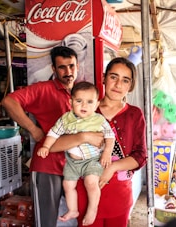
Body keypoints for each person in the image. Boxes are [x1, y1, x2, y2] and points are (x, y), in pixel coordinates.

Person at [1, 46, 104, 227]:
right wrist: (32, 129)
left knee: (76, 218)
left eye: (71, 66)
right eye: (62, 67)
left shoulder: (82, 92)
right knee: (46, 221)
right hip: (47, 165)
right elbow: (8, 101)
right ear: (53, 69)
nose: (68, 72)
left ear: (78, 66)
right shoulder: (43, 89)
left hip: (75, 166)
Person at [50, 57, 148, 227]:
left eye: (125, 80)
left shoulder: (134, 114)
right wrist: (83, 137)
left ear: (130, 86)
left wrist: (113, 167)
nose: (118, 84)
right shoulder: (83, 109)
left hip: (119, 194)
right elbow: (52, 145)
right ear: (103, 78)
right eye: (113, 77)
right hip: (85, 192)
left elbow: (140, 156)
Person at [37, 81, 115, 225]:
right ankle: (73, 210)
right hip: (72, 162)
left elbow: (110, 136)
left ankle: (93, 208)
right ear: (71, 101)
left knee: (91, 182)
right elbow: (53, 133)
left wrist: (107, 154)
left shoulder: (98, 120)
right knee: (67, 185)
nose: (84, 106)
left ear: (97, 105)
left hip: (92, 160)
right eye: (79, 101)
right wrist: (46, 147)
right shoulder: (66, 119)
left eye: (90, 102)